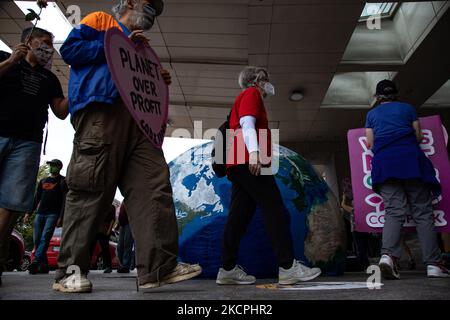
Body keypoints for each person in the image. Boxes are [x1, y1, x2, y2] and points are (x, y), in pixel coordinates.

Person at [53, 0, 201, 293]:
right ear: (130, 2)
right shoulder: (99, 22)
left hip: (139, 123)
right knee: (91, 189)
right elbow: (70, 50)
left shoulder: (142, 47)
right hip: (101, 113)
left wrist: (156, 78)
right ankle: (69, 272)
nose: (153, 14)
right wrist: (116, 47)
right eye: (149, 6)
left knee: (153, 188)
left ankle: (158, 268)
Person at [216, 66, 321, 285]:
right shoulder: (251, 93)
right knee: (275, 209)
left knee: (239, 216)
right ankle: (287, 267)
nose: (268, 82)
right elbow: (247, 122)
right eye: (265, 78)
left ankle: (227, 269)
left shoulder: (246, 96)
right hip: (249, 159)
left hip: (238, 162)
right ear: (256, 80)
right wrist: (254, 153)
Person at [0, 27, 68, 286]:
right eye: (44, 42)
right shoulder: (4, 59)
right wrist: (10, 61)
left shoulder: (50, 79)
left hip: (28, 143)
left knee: (11, 203)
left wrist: (80, 89)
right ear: (28, 42)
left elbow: (60, 111)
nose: (48, 48)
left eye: (51, 44)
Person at [365, 79, 449, 279]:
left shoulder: (371, 114)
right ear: (396, 94)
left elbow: (370, 142)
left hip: (385, 164)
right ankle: (434, 264)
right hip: (411, 161)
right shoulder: (408, 109)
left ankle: (388, 256)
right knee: (422, 212)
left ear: (377, 97)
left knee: (394, 211)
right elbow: (418, 136)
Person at [25, 159, 68, 274]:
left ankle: (36, 261)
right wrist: (28, 213)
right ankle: (44, 265)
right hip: (40, 213)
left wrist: (61, 217)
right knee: (37, 239)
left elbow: (65, 200)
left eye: (53, 165)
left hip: (53, 214)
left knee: (45, 238)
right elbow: (36, 197)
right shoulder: (43, 180)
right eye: (50, 165)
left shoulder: (63, 181)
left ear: (59, 167)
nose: (51, 167)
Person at [340, 193, 370, 271]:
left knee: (360, 248)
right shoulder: (362, 209)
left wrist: (343, 198)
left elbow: (343, 205)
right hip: (364, 230)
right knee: (363, 248)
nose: (352, 202)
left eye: (353, 201)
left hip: (357, 231)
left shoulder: (354, 210)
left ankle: (363, 265)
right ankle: (365, 264)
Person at [90, 205, 116, 273]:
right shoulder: (99, 204)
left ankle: (108, 266)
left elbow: (113, 220)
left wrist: (109, 230)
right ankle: (87, 265)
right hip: (96, 229)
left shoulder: (112, 207)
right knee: (91, 247)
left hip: (104, 229)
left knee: (105, 248)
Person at [116, 203, 134, 273]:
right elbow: (121, 213)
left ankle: (125, 266)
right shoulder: (123, 201)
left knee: (127, 244)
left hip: (129, 223)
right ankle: (121, 265)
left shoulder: (132, 198)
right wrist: (118, 224)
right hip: (122, 224)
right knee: (120, 246)